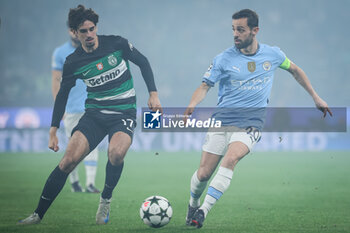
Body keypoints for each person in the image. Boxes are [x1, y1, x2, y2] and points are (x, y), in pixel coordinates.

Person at [184, 9, 332, 228]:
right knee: (204, 174)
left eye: (240, 30)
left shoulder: (273, 55)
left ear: (255, 31)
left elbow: (295, 70)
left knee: (231, 159)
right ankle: (193, 203)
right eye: (233, 29)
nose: (235, 34)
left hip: (251, 122)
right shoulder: (223, 59)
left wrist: (316, 96)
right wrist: (192, 104)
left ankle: (203, 211)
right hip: (222, 120)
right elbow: (205, 86)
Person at [18, 4, 161, 225]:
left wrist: (153, 93)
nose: (89, 35)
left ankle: (105, 200)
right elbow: (62, 96)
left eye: (91, 29)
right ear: (75, 33)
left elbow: (143, 62)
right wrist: (53, 129)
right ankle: (37, 215)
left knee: (115, 154)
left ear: (96, 28)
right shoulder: (73, 62)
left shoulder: (117, 44)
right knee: (67, 162)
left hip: (123, 112)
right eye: (83, 31)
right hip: (94, 116)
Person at [52, 25, 100, 193]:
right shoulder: (60, 52)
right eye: (77, 30)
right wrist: (60, 109)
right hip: (71, 109)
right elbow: (56, 81)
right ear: (71, 31)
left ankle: (90, 184)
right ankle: (74, 183)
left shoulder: (91, 48)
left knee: (92, 144)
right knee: (72, 147)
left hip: (91, 106)